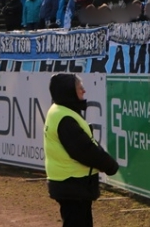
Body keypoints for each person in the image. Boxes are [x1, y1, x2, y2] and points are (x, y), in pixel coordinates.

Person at [44, 74, 119, 227]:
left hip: (71, 185)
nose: (84, 91)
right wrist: (110, 166)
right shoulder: (65, 117)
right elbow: (84, 150)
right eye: (79, 88)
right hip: (73, 184)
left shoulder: (60, 112)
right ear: (69, 91)